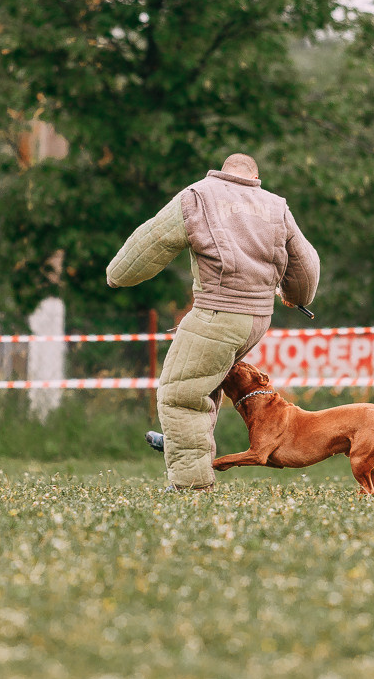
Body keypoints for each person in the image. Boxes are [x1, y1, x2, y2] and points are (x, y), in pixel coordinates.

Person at [107, 153, 319, 491]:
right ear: (255, 177)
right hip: (257, 318)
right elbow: (306, 265)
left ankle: (191, 483)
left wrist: (117, 275)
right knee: (204, 384)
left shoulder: (198, 196)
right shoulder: (275, 205)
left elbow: (152, 240)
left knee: (181, 396)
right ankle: (182, 443)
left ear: (222, 172)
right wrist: (297, 296)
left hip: (218, 314)